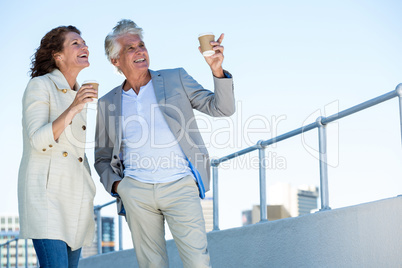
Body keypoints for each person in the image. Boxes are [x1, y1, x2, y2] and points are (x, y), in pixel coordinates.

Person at [95, 19, 235, 268]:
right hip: (136, 192)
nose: (140, 51)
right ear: (115, 61)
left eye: (141, 45)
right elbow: (103, 157)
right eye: (130, 48)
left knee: (198, 263)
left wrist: (216, 70)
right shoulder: (108, 103)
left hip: (180, 186)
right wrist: (119, 187)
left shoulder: (175, 79)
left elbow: (222, 108)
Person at [18, 25, 97, 268]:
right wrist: (73, 108)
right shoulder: (40, 86)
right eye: (76, 43)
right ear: (58, 55)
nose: (84, 47)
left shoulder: (78, 92)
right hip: (47, 200)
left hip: (76, 201)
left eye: (84, 43)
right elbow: (38, 141)